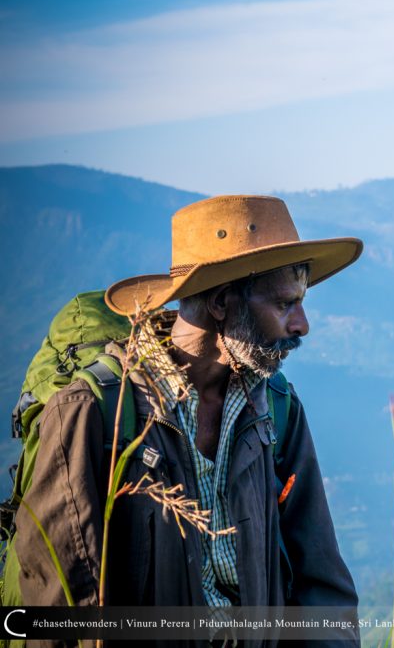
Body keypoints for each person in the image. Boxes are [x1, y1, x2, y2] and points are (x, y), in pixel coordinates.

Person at [12, 195, 361, 643]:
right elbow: (54, 611)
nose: (302, 325)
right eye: (284, 305)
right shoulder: (94, 413)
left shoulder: (275, 409)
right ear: (220, 302)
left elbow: (320, 581)